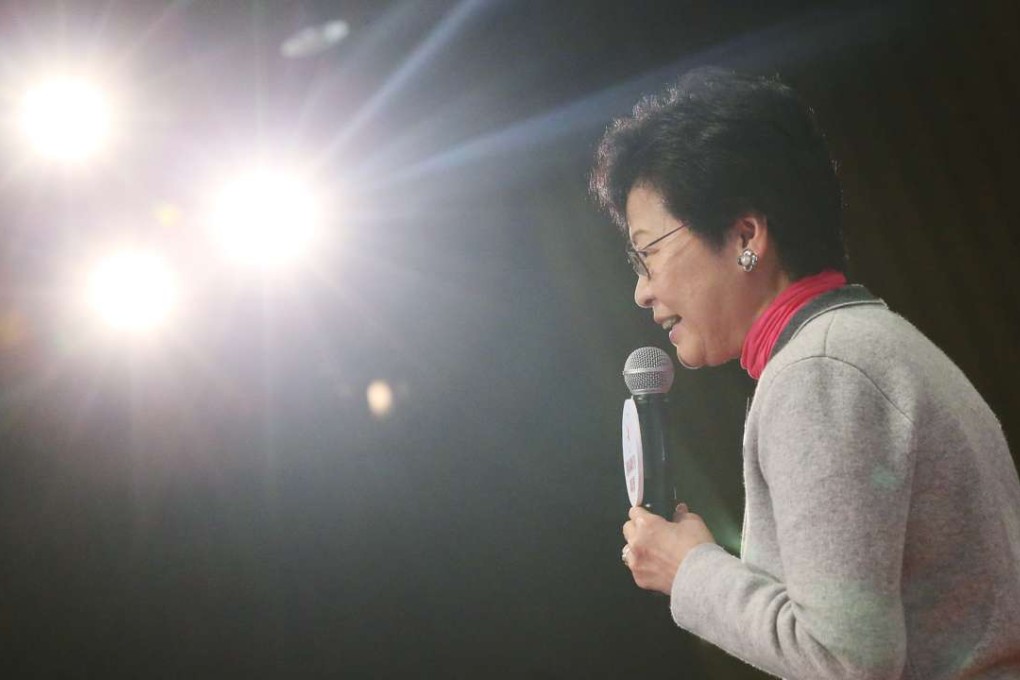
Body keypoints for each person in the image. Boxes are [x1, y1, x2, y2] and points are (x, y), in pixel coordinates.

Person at [590, 67, 1020, 680]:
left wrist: (690, 570)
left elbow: (845, 659)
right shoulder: (862, 341)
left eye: (649, 251)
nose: (641, 290)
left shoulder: (820, 371)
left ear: (746, 235)